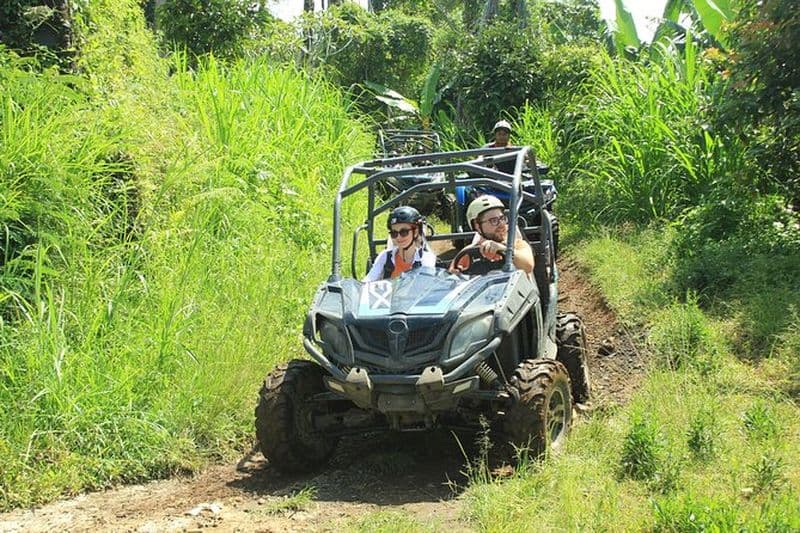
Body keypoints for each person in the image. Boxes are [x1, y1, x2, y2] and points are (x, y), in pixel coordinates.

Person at [451, 195, 534, 275]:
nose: (501, 224)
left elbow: (528, 266)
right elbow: (451, 277)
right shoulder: (469, 252)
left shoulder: (517, 244)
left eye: (502, 218)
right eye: (494, 221)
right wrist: (457, 275)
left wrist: (503, 249)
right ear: (477, 225)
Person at [364, 206, 437, 282]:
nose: (398, 237)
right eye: (394, 233)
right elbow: (369, 279)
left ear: (415, 232)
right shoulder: (385, 256)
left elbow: (425, 285)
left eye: (404, 232)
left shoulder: (426, 259)